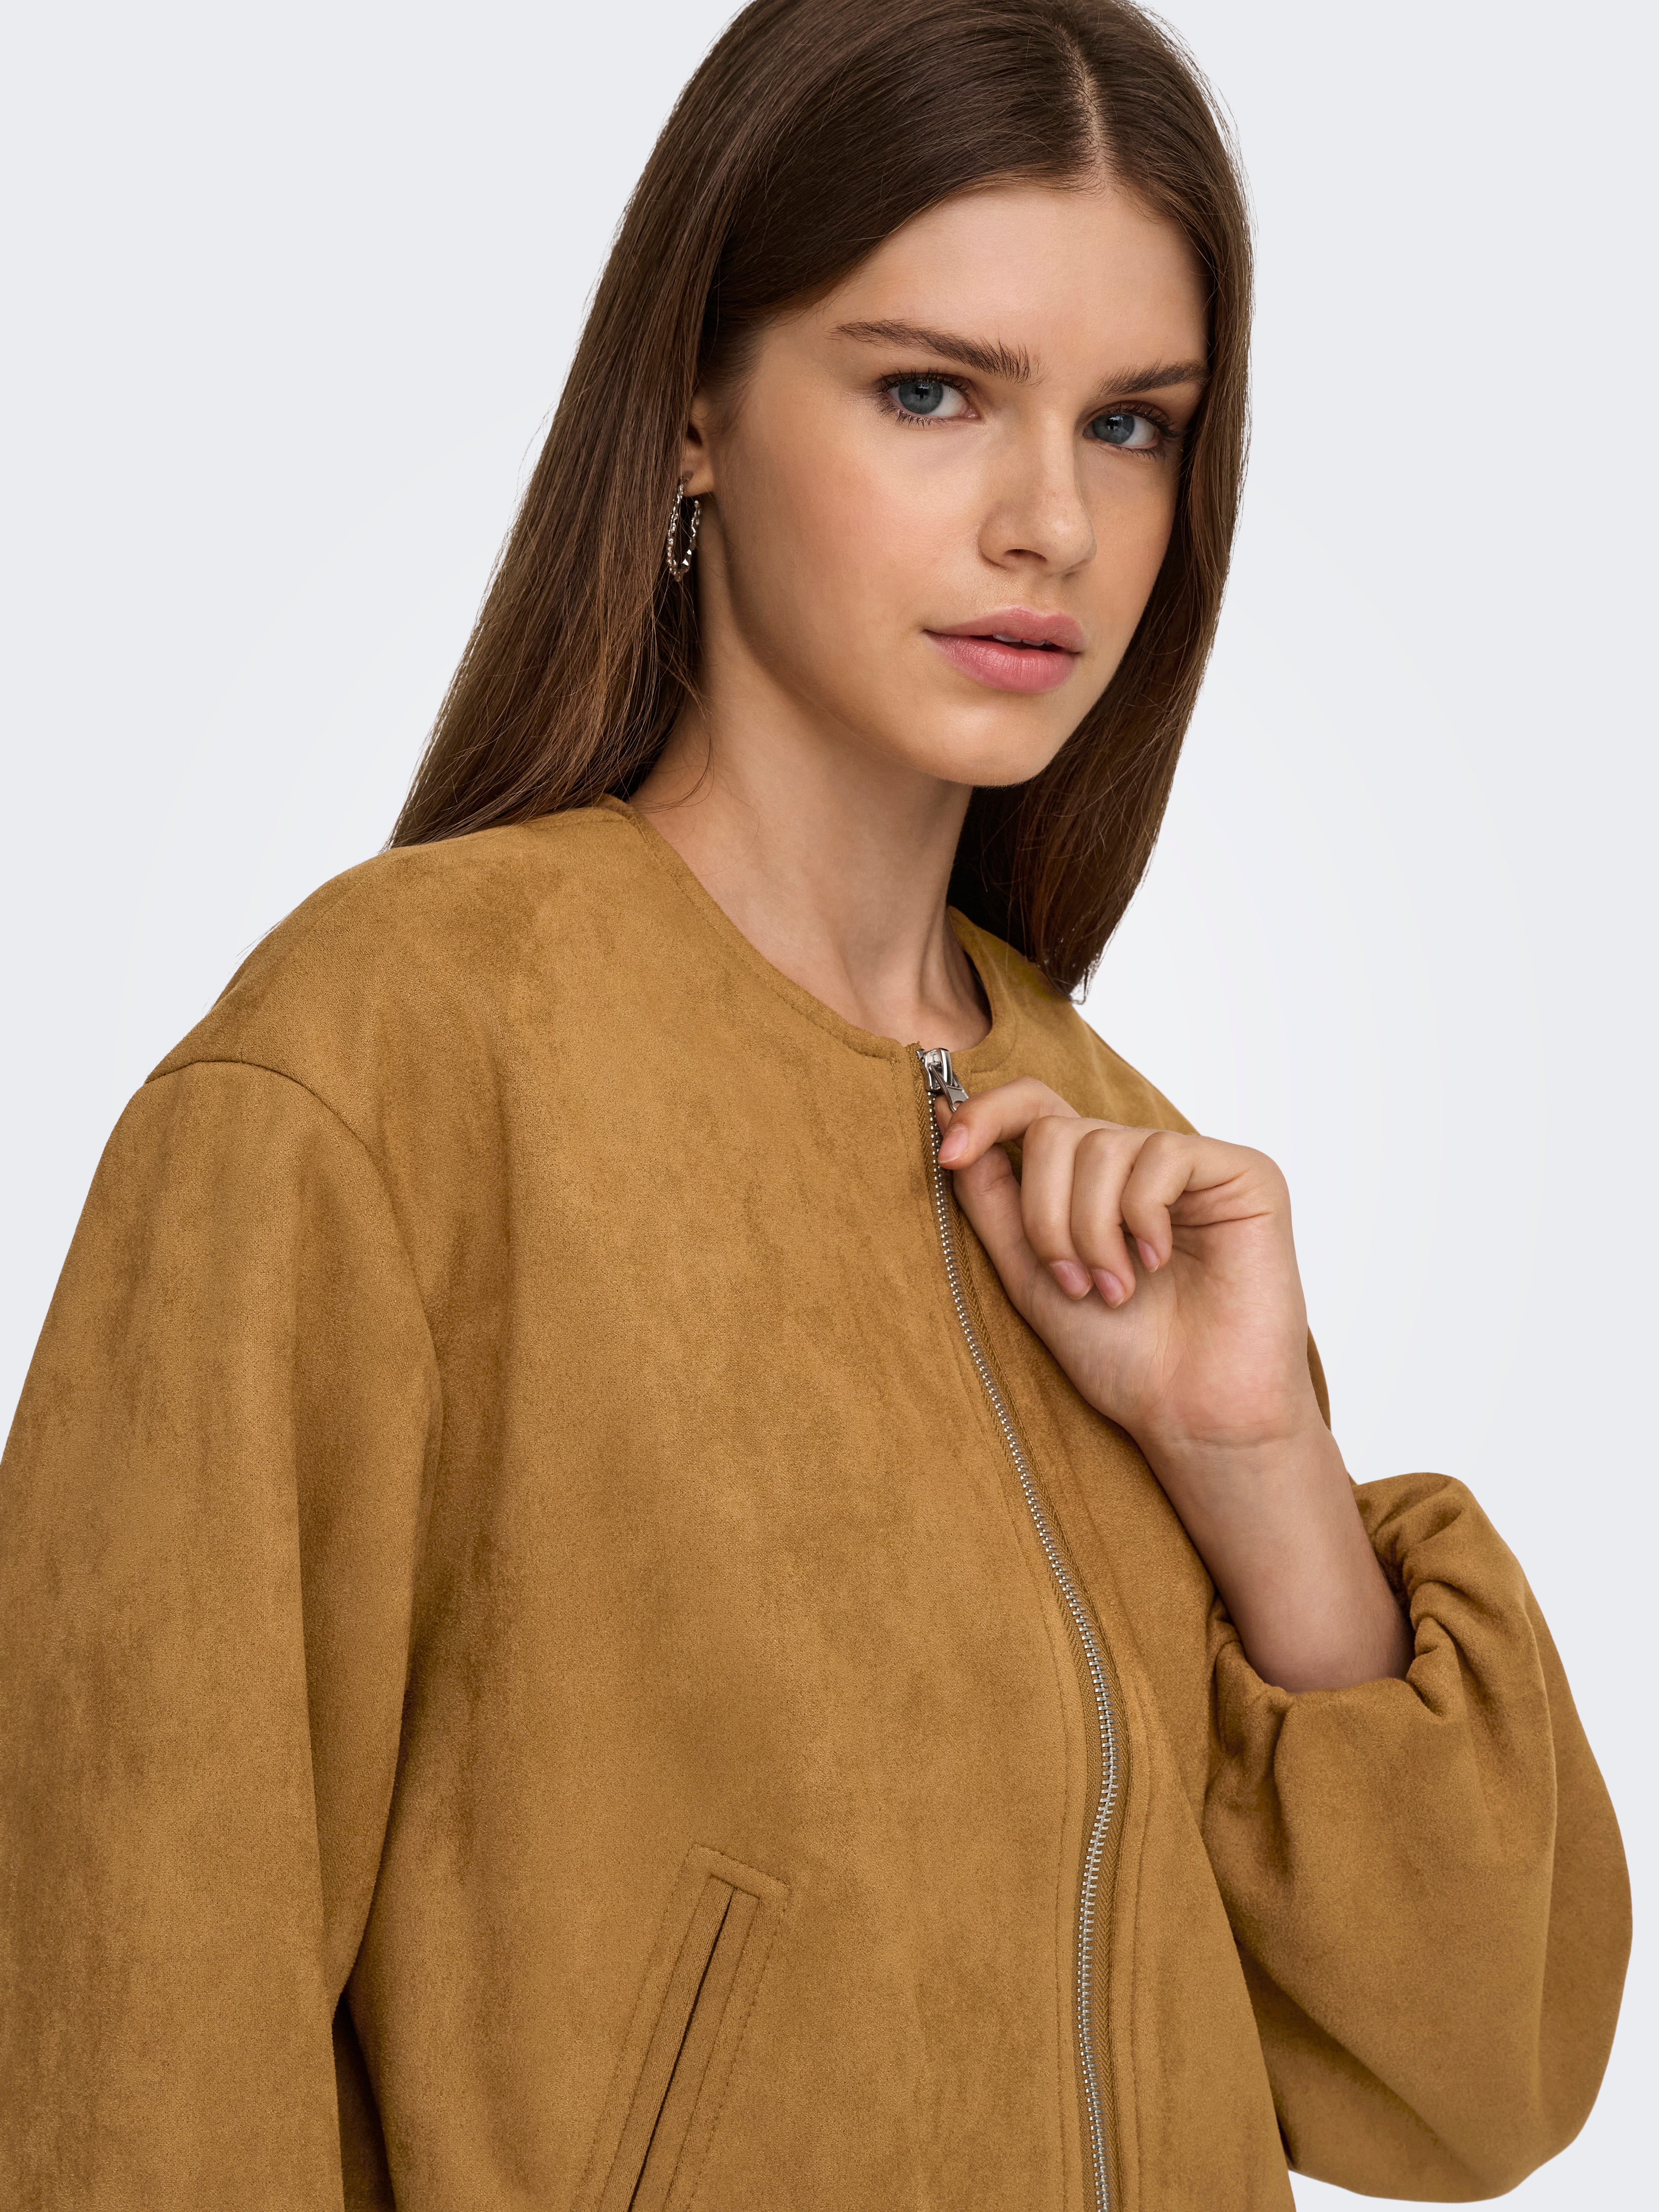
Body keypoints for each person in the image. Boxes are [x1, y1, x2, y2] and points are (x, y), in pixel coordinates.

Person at [0, 1, 1629, 2205]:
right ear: (694, 413)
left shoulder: (1117, 1167)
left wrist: (1256, 1465)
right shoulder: (385, 1070)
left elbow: (1469, 2084)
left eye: (1133, 425)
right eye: (931, 391)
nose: (1052, 522)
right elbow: (127, 2038)